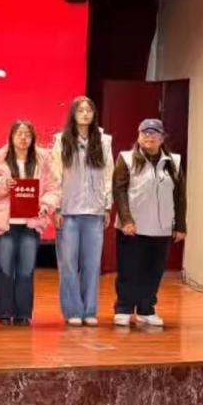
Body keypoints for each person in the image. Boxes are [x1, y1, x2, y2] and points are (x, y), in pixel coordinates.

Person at [0, 121, 61, 326]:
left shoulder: (43, 161)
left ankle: (23, 313)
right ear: (11, 137)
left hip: (31, 222)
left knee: (26, 269)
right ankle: (3, 312)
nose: (23, 138)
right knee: (4, 268)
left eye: (27, 134)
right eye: (19, 133)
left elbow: (54, 189)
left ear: (32, 138)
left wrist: (45, 206)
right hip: (5, 222)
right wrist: (3, 184)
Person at [112, 119, 186, 327]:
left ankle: (147, 309)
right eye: (145, 133)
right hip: (133, 227)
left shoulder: (174, 162)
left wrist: (180, 225)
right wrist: (126, 220)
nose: (149, 137)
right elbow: (119, 191)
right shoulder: (126, 159)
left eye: (154, 133)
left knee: (153, 271)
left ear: (162, 138)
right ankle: (124, 308)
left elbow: (180, 196)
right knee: (129, 270)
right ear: (138, 136)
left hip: (161, 228)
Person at [50, 96, 115, 326]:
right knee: (68, 263)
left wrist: (107, 206)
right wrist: (56, 207)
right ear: (73, 114)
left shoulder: (103, 141)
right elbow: (55, 176)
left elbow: (108, 175)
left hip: (94, 210)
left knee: (92, 264)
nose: (85, 114)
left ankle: (90, 310)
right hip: (68, 210)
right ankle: (72, 311)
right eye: (80, 110)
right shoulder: (61, 140)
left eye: (89, 110)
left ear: (94, 114)